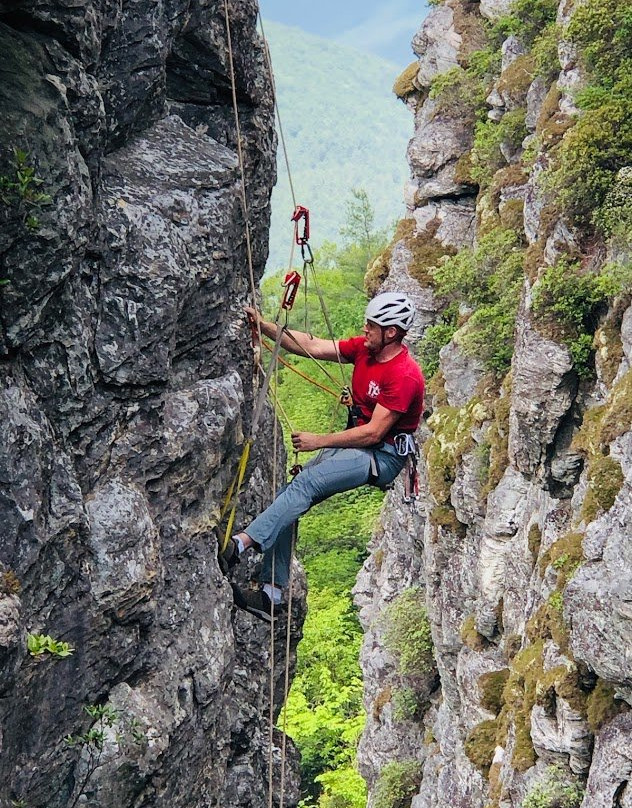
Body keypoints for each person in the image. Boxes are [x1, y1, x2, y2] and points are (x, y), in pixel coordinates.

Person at [222, 292, 425, 622]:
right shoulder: (364, 350)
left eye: (371, 325)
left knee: (309, 481)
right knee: (288, 496)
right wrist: (265, 327)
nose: (365, 328)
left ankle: (239, 547)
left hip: (381, 455)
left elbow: (374, 433)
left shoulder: (404, 375)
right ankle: (271, 596)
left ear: (391, 332)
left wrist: (320, 441)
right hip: (358, 445)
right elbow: (312, 346)